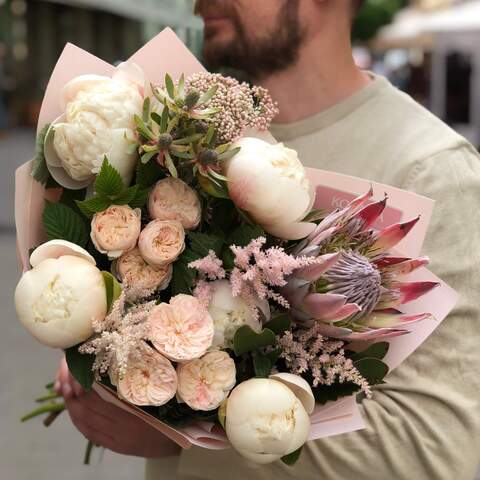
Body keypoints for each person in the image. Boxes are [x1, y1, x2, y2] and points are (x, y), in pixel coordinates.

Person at [55, 1, 480, 479]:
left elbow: (434, 453)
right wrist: (109, 350)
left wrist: (180, 436)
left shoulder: (434, 171)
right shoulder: (182, 131)